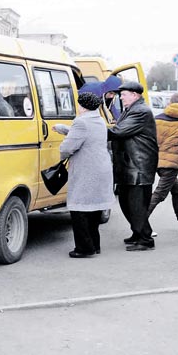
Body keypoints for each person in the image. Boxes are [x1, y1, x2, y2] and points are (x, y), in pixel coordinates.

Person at [54, 92, 114, 258]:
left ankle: (84, 248)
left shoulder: (81, 121)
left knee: (79, 208)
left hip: (87, 169)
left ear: (82, 105)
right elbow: (87, 135)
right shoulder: (99, 120)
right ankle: (94, 245)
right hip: (101, 168)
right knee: (93, 209)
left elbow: (67, 148)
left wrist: (60, 157)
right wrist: (64, 129)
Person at [107, 81, 159, 251]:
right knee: (126, 202)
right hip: (129, 165)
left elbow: (117, 131)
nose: (120, 97)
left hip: (138, 166)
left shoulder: (141, 111)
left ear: (135, 95)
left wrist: (91, 127)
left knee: (136, 205)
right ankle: (138, 233)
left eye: (124, 94)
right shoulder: (131, 110)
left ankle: (145, 239)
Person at [147, 92, 178, 233]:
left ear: (170, 103)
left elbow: (152, 141)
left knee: (177, 191)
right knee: (159, 194)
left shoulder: (158, 120)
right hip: (173, 164)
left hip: (159, 161)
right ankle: (140, 225)